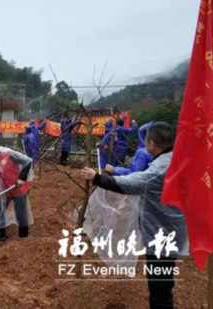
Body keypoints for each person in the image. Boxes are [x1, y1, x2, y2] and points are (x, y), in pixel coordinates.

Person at [80, 122, 188, 309]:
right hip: (172, 225)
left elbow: (133, 182)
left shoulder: (160, 168)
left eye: (147, 141)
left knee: (159, 286)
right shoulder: (178, 158)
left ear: (152, 144)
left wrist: (97, 178)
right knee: (163, 280)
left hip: (162, 233)